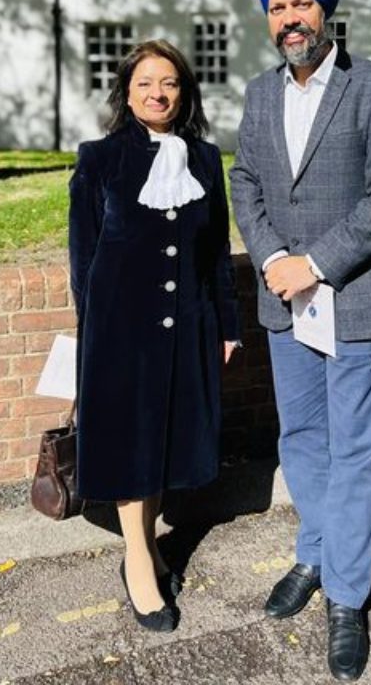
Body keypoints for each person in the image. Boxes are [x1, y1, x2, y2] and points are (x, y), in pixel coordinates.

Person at [229, 0, 371, 681]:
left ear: (326, 7)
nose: (290, 18)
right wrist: (275, 259)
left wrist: (318, 262)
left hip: (355, 299)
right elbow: (246, 182)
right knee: (302, 438)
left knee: (358, 451)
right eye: (277, 7)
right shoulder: (257, 94)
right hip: (286, 304)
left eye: (301, 2)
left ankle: (345, 595)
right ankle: (313, 553)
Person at [68, 39, 240, 634]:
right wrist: (92, 335)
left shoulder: (204, 158)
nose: (157, 93)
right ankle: (137, 558)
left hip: (189, 323)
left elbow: (215, 249)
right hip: (121, 330)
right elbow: (83, 257)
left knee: (165, 442)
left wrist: (228, 325)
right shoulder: (99, 159)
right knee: (130, 445)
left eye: (168, 83)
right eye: (145, 83)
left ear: (184, 92)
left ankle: (147, 541)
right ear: (126, 91)